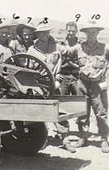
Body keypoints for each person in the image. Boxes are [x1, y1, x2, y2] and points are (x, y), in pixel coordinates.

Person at [65, 20, 109, 153]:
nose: (91, 34)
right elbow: (66, 56)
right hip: (82, 84)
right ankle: (83, 137)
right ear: (85, 33)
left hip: (98, 84)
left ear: (97, 33)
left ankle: (104, 139)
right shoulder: (78, 48)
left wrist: (106, 68)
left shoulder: (105, 47)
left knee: (101, 112)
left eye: (93, 32)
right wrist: (77, 67)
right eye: (88, 32)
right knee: (82, 112)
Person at [27, 23, 76, 152]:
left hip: (54, 84)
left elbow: (69, 53)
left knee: (59, 111)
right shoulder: (32, 50)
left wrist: (59, 73)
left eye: (47, 32)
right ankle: (40, 138)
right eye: (42, 33)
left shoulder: (56, 47)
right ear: (37, 34)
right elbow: (28, 68)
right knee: (37, 112)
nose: (45, 35)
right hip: (38, 85)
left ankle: (65, 139)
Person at [60, 21, 81, 95]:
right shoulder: (60, 44)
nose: (71, 33)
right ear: (66, 31)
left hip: (77, 77)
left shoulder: (81, 45)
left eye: (73, 31)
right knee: (63, 101)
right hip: (63, 77)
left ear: (76, 31)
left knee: (79, 100)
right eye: (69, 31)